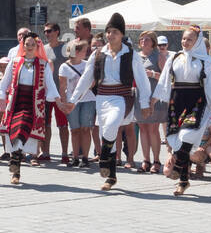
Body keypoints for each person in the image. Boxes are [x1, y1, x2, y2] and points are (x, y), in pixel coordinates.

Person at [65, 12, 152, 191]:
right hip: (102, 98)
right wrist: (73, 100)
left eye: (115, 32)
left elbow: (142, 80)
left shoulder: (131, 54)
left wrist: (144, 103)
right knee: (107, 132)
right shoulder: (98, 54)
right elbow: (86, 79)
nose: (110, 35)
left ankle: (103, 155)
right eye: (108, 32)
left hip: (122, 97)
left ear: (122, 34)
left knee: (112, 126)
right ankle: (111, 176)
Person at [150, 24, 211, 197]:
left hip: (197, 101)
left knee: (186, 136)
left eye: (189, 39)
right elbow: (165, 80)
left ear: (197, 41)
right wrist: (153, 101)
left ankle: (179, 167)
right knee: (178, 142)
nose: (185, 42)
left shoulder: (205, 60)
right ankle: (183, 181)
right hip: (177, 101)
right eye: (183, 38)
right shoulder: (175, 58)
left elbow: (210, 85)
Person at [0, 31, 59, 185]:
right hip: (16, 102)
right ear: (23, 46)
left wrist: (58, 100)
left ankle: (15, 164)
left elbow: (50, 84)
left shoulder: (43, 64)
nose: (30, 47)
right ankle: (16, 167)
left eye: (32, 45)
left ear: (37, 46)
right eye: (27, 44)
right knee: (14, 130)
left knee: (22, 128)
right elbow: (6, 81)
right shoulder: (16, 61)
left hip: (33, 103)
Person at [57, 39, 95, 168]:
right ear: (76, 51)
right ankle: (75, 158)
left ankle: (85, 157)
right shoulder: (64, 67)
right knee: (74, 130)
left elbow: (93, 82)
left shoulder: (87, 65)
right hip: (71, 102)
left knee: (85, 129)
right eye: (84, 50)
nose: (86, 53)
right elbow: (62, 87)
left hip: (88, 100)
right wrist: (64, 103)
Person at [137, 31, 166, 173]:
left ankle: (156, 160)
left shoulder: (158, 56)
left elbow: (167, 77)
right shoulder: (135, 57)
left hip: (155, 96)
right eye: (142, 39)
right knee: (143, 128)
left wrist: (152, 74)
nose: (144, 41)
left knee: (153, 129)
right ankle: (145, 159)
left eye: (147, 39)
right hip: (139, 96)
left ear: (153, 42)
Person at [42, 23, 68, 163]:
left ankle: (64, 154)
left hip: (60, 93)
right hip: (45, 93)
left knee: (63, 125)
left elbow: (71, 67)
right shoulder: (42, 49)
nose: (47, 34)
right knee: (45, 124)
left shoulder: (65, 48)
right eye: (45, 31)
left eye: (49, 31)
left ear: (57, 32)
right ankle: (45, 152)